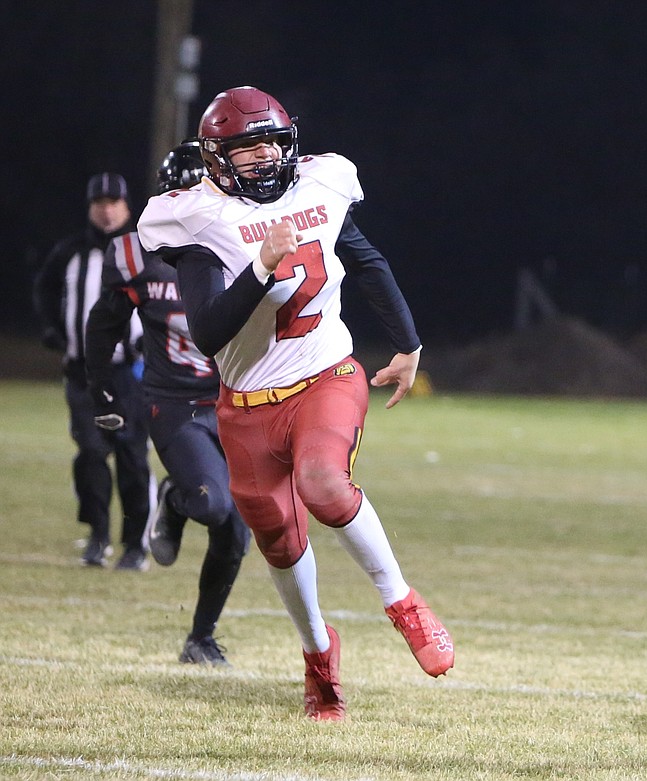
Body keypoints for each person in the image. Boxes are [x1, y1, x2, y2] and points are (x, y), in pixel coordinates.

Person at [137, 86, 454, 721]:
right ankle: (318, 656)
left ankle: (403, 602)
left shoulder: (322, 186)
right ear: (216, 158)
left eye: (270, 145)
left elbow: (366, 261)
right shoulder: (198, 217)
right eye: (245, 149)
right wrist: (259, 268)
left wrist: (409, 343)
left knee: (323, 483)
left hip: (326, 375)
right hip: (247, 403)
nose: (262, 159)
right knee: (278, 541)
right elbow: (206, 331)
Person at [84, 142, 251, 667]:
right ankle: (175, 498)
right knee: (212, 504)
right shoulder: (135, 253)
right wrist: (100, 386)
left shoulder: (243, 240)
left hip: (237, 400)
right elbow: (102, 325)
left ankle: (201, 637)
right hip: (176, 401)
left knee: (237, 532)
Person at [33, 172, 153, 570]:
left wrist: (151, 341)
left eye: (112, 201)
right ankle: (98, 536)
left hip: (129, 372)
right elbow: (45, 288)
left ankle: (135, 544)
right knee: (90, 452)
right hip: (82, 372)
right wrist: (52, 329)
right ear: (90, 207)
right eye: (99, 202)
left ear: (126, 206)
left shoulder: (145, 250)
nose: (106, 209)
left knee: (132, 455)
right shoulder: (70, 251)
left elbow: (168, 299)